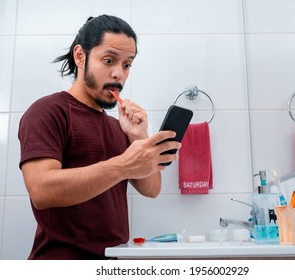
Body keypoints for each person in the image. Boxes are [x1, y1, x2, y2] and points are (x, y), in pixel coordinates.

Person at [18, 14, 180, 260]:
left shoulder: (118, 126)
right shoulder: (48, 111)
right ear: (80, 56)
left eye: (127, 65)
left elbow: (152, 190)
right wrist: (123, 165)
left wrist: (138, 137)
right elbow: (41, 191)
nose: (119, 74)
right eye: (108, 60)